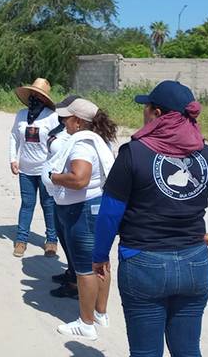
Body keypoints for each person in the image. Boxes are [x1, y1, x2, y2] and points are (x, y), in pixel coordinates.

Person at [92, 81, 208, 356]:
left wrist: (99, 256)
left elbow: (110, 213)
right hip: (195, 263)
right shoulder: (207, 155)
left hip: (144, 263)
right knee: (188, 350)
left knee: (146, 352)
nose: (143, 113)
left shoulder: (133, 153)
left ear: (156, 114)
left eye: (146, 108)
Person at [42, 99, 117, 340]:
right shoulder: (100, 140)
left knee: (85, 270)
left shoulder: (82, 144)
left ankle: (86, 324)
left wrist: (54, 177)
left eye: (67, 118)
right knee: (101, 261)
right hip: (97, 206)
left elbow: (79, 179)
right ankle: (100, 313)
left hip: (81, 210)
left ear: (78, 121)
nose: (64, 122)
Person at [9, 78, 60, 258]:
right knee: (27, 204)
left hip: (46, 169)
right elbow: (14, 137)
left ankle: (52, 241)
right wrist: (12, 158)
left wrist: (56, 166)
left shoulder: (51, 117)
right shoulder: (21, 115)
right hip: (25, 169)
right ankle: (21, 240)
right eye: (32, 95)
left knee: (48, 205)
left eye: (38, 96)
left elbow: (59, 142)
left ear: (44, 99)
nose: (34, 99)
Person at [45, 95, 79, 300]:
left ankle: (76, 282)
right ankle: (71, 272)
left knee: (71, 239)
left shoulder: (77, 136)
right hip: (56, 191)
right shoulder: (61, 130)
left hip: (69, 194)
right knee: (64, 236)